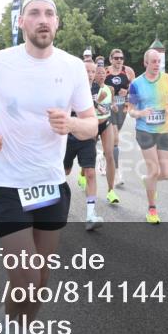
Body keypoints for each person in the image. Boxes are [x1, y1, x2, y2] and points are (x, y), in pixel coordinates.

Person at [0, 0, 96, 334]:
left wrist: (71, 125)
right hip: (8, 183)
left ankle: (17, 332)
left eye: (50, 14)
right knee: (23, 276)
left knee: (40, 280)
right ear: (22, 23)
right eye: (35, 14)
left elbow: (91, 124)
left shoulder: (73, 67)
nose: (43, 19)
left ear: (57, 24)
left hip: (51, 184)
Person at [127, 47, 168, 223]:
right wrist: (141, 113)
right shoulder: (136, 84)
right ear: (145, 63)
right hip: (145, 131)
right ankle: (152, 209)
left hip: (164, 130)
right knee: (154, 170)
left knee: (167, 174)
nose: (157, 64)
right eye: (154, 61)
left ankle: (147, 180)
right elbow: (131, 110)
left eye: (159, 61)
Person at [65, 60, 108, 230]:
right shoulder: (70, 88)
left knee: (90, 172)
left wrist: (102, 108)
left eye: (92, 72)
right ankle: (53, 205)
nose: (90, 75)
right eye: (86, 71)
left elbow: (102, 112)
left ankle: (90, 214)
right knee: (63, 172)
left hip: (88, 137)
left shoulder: (98, 90)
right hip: (68, 136)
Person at [104, 49, 136, 186]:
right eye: (116, 58)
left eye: (121, 58)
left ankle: (105, 155)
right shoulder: (105, 72)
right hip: (108, 107)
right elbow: (97, 87)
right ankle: (117, 173)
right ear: (110, 59)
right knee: (116, 139)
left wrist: (127, 91)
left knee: (112, 140)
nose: (119, 60)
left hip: (122, 107)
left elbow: (135, 88)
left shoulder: (128, 71)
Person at [92, 65, 120, 204]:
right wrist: (98, 101)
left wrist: (114, 106)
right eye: (98, 73)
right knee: (89, 156)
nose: (101, 75)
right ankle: (83, 174)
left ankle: (111, 191)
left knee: (109, 154)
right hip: (92, 124)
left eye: (103, 73)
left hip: (106, 123)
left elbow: (112, 104)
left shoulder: (110, 89)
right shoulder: (90, 89)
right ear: (94, 75)